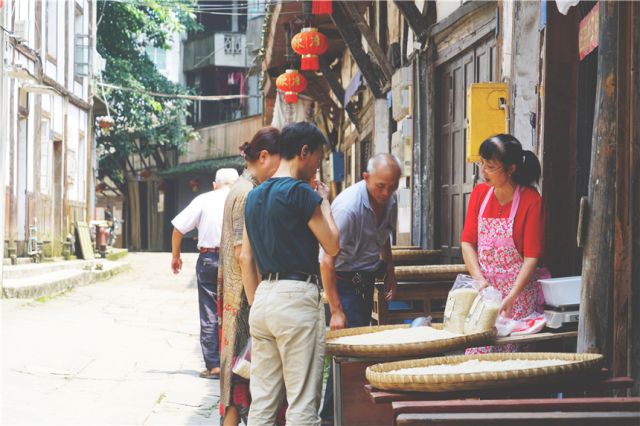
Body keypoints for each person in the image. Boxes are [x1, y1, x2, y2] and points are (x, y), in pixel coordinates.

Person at [240, 122, 341, 426]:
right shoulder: (300, 193)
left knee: (263, 404)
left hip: (263, 302)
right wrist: (323, 199)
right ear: (304, 152)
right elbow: (333, 244)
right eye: (318, 159)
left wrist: (259, 301)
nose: (317, 168)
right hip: (296, 299)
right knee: (301, 404)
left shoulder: (254, 196)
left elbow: (245, 257)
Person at [319, 153, 401, 422]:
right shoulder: (348, 207)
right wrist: (336, 310)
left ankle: (352, 409)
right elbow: (326, 262)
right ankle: (332, 416)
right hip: (342, 280)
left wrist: (390, 272)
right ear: (366, 178)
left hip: (365, 279)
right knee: (347, 354)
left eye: (392, 186)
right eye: (380, 186)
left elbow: (384, 236)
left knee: (359, 348)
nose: (385, 192)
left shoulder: (391, 200)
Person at [217, 127, 281, 426]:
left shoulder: (241, 188)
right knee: (241, 378)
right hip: (244, 301)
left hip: (235, 298)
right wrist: (257, 305)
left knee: (236, 380)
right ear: (264, 157)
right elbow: (244, 255)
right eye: (278, 162)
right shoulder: (248, 193)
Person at [461, 134, 545, 353]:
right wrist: (480, 281)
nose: (483, 171)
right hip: (485, 295)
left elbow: (532, 257)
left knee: (513, 366)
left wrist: (512, 295)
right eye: (481, 163)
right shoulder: (480, 194)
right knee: (478, 358)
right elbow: (467, 243)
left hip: (517, 299)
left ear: (511, 169)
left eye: (490, 166)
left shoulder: (531, 200)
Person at [171, 168, 239, 378]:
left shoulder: (204, 199)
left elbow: (178, 229)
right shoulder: (242, 198)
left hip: (209, 259)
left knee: (209, 311)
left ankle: (214, 366)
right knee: (235, 310)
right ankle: (236, 363)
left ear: (214, 184)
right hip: (236, 260)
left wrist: (176, 256)